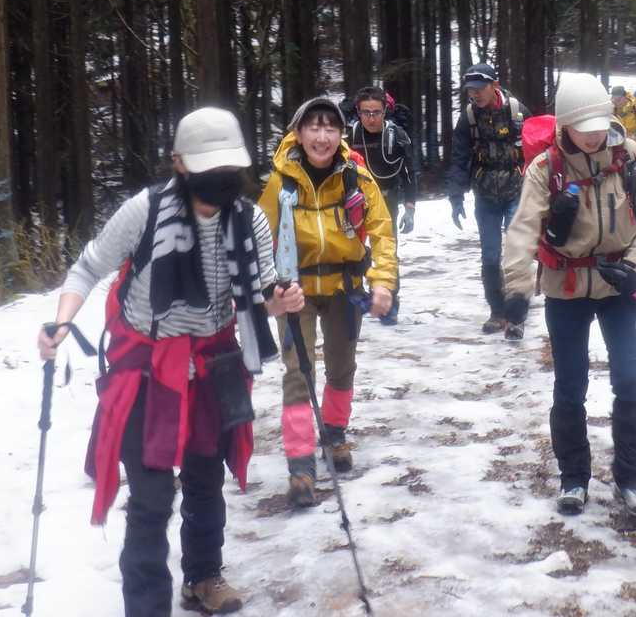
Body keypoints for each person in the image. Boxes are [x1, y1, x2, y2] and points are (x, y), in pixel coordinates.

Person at [36, 106, 305, 617]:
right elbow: (87, 267)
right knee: (152, 496)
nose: (220, 178)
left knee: (205, 478)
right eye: (208, 167)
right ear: (180, 163)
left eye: (228, 167)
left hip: (214, 362)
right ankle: (146, 606)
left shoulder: (249, 219)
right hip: (146, 366)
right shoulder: (144, 211)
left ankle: (202, 576)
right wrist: (62, 323)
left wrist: (282, 300)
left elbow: (261, 293)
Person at [501, 72, 636, 517]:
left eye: (599, 125)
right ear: (565, 125)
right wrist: (516, 289)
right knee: (570, 385)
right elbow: (522, 229)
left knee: (629, 379)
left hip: (619, 284)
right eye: (583, 128)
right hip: (566, 288)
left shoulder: (630, 156)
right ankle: (573, 477)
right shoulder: (545, 168)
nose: (594, 136)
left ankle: (632, 478)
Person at [257, 95, 397, 507]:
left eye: (330, 128)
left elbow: (382, 231)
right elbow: (260, 241)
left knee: (341, 367)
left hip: (343, 288)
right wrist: (270, 291)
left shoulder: (357, 178)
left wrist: (383, 282)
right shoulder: (280, 183)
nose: (322, 137)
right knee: (298, 373)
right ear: (299, 134)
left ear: (341, 134)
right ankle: (300, 465)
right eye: (313, 127)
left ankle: (334, 432)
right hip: (294, 292)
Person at [447, 62, 526, 335]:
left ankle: (516, 317)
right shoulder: (468, 118)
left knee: (517, 254)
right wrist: (456, 196)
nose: (475, 94)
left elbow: (537, 147)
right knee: (490, 257)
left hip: (517, 191)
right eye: (471, 89)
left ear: (494, 85)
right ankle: (497, 312)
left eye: (480, 88)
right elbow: (459, 159)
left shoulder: (516, 111)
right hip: (485, 196)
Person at [347, 85, 418, 325]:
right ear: (358, 112)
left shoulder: (396, 136)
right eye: (365, 113)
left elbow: (409, 173)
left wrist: (410, 208)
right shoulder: (351, 136)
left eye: (376, 112)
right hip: (356, 201)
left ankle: (390, 302)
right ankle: (356, 297)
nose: (371, 118)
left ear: (385, 111)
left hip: (388, 199)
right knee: (353, 250)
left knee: (388, 250)